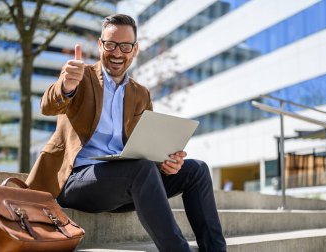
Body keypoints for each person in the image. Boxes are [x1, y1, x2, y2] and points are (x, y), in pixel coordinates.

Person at [26, 14, 226, 252]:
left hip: (122, 185)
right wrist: (66, 86)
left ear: (135, 49)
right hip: (76, 181)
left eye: (125, 46)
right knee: (140, 169)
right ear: (100, 45)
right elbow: (48, 106)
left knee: (197, 170)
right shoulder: (81, 76)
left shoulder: (140, 94)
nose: (117, 53)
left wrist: (165, 162)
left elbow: (146, 145)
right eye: (110, 44)